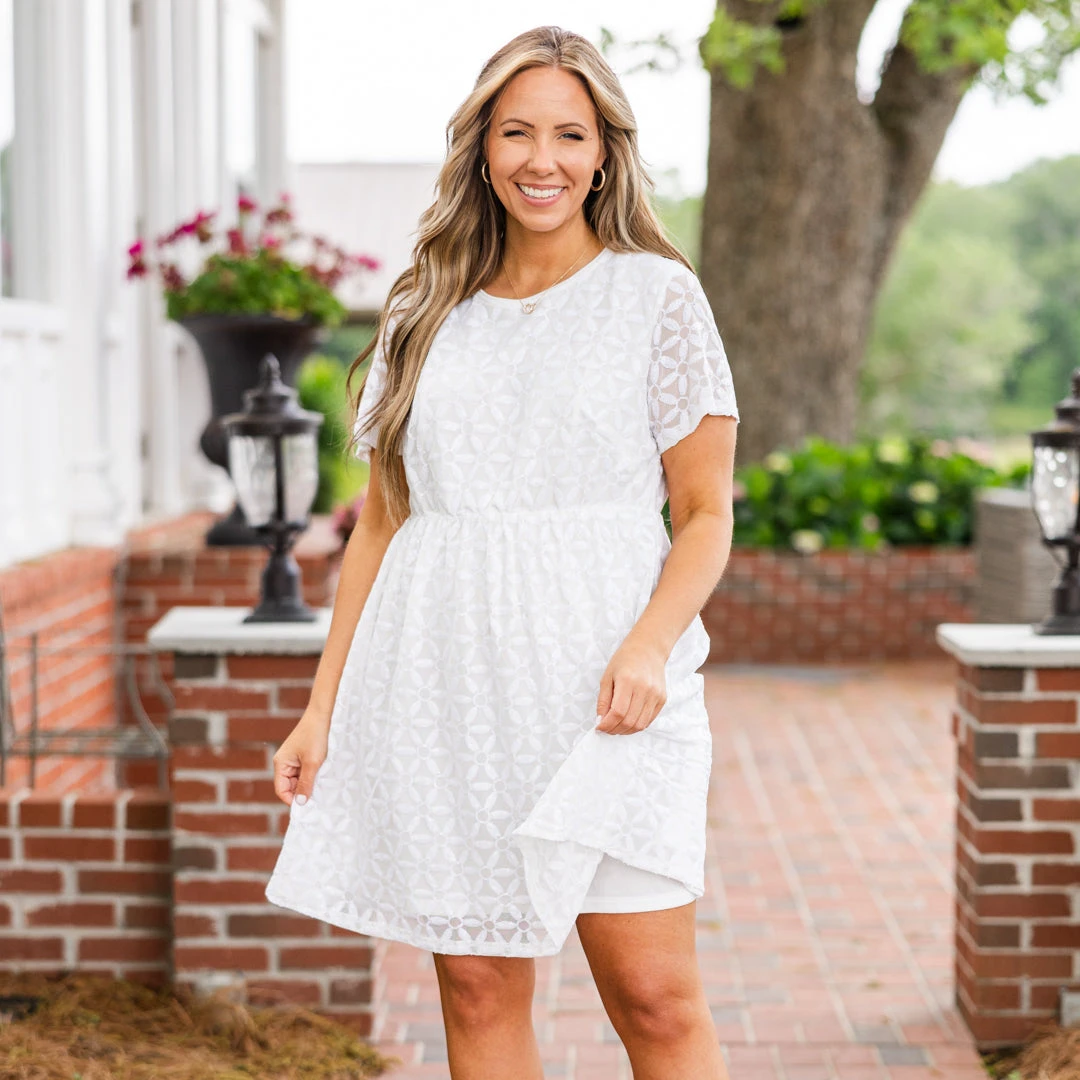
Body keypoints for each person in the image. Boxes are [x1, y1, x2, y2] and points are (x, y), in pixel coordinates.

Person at [266, 25, 738, 1080]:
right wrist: (321, 707)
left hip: (612, 692)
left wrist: (650, 646)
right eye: (517, 132)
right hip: (449, 692)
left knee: (656, 999)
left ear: (604, 154)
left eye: (570, 134)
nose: (543, 159)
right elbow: (381, 523)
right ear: (482, 148)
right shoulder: (423, 310)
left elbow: (706, 514)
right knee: (478, 987)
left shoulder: (657, 297)